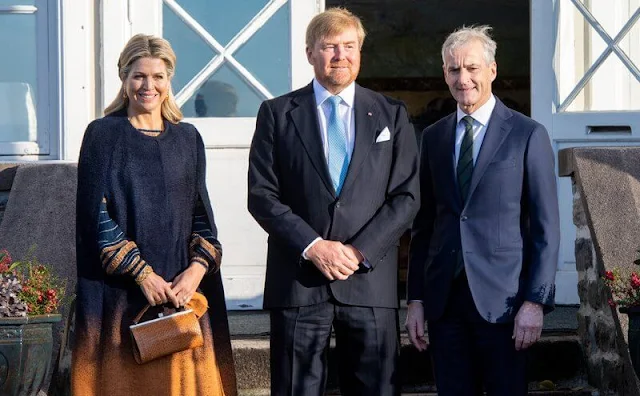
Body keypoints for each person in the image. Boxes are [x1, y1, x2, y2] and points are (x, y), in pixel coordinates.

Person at [248, 7, 419, 396]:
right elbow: (261, 194)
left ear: (360, 52)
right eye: (329, 47)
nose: (340, 55)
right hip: (299, 282)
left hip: (370, 282)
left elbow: (406, 196)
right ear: (310, 53)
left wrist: (358, 251)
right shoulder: (276, 114)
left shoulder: (391, 114)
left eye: (349, 46)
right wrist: (314, 247)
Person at [72, 34, 237, 396]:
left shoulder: (188, 138)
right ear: (124, 78)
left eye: (158, 76)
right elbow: (94, 216)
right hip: (122, 296)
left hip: (181, 297)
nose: (149, 85)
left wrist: (196, 271)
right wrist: (142, 274)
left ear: (169, 80)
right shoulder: (103, 135)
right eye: (139, 76)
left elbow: (200, 214)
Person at [405, 25, 560, 395]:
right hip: (445, 304)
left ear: (492, 70)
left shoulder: (527, 134)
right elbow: (424, 225)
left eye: (472, 68)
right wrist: (416, 299)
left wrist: (535, 301)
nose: (464, 79)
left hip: (505, 304)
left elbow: (546, 227)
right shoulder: (434, 137)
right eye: (454, 70)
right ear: (445, 74)